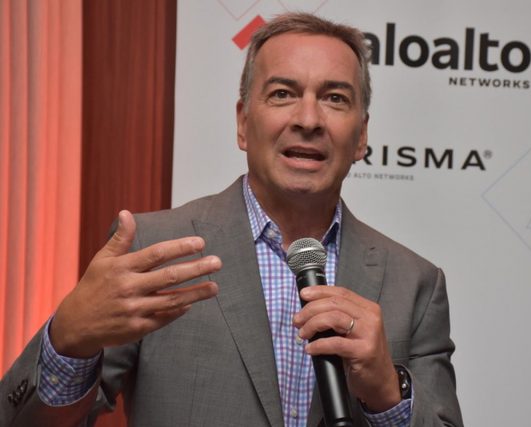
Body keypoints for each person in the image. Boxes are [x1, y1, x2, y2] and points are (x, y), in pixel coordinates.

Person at [1, 12, 463, 427]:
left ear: (361, 136)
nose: (308, 119)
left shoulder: (415, 284)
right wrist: (67, 342)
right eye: (282, 94)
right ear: (243, 123)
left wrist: (388, 394)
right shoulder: (156, 250)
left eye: (335, 98)